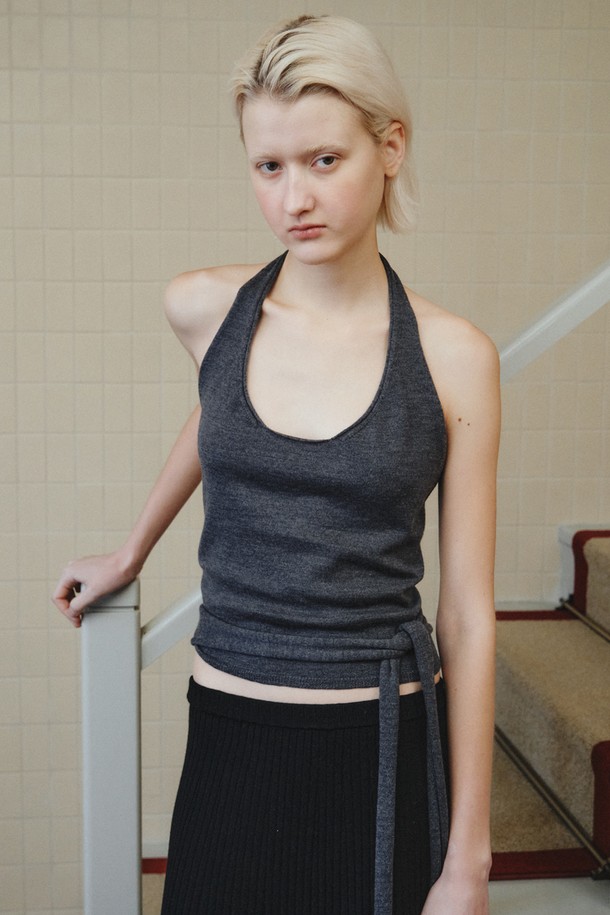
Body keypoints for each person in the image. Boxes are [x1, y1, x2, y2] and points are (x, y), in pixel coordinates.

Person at [54, 14, 499, 915]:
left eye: (324, 160)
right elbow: (224, 418)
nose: (296, 196)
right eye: (269, 166)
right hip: (231, 736)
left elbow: (466, 613)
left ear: (391, 147)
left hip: (378, 744)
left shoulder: (455, 357)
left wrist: (469, 862)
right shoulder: (205, 308)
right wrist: (134, 549)